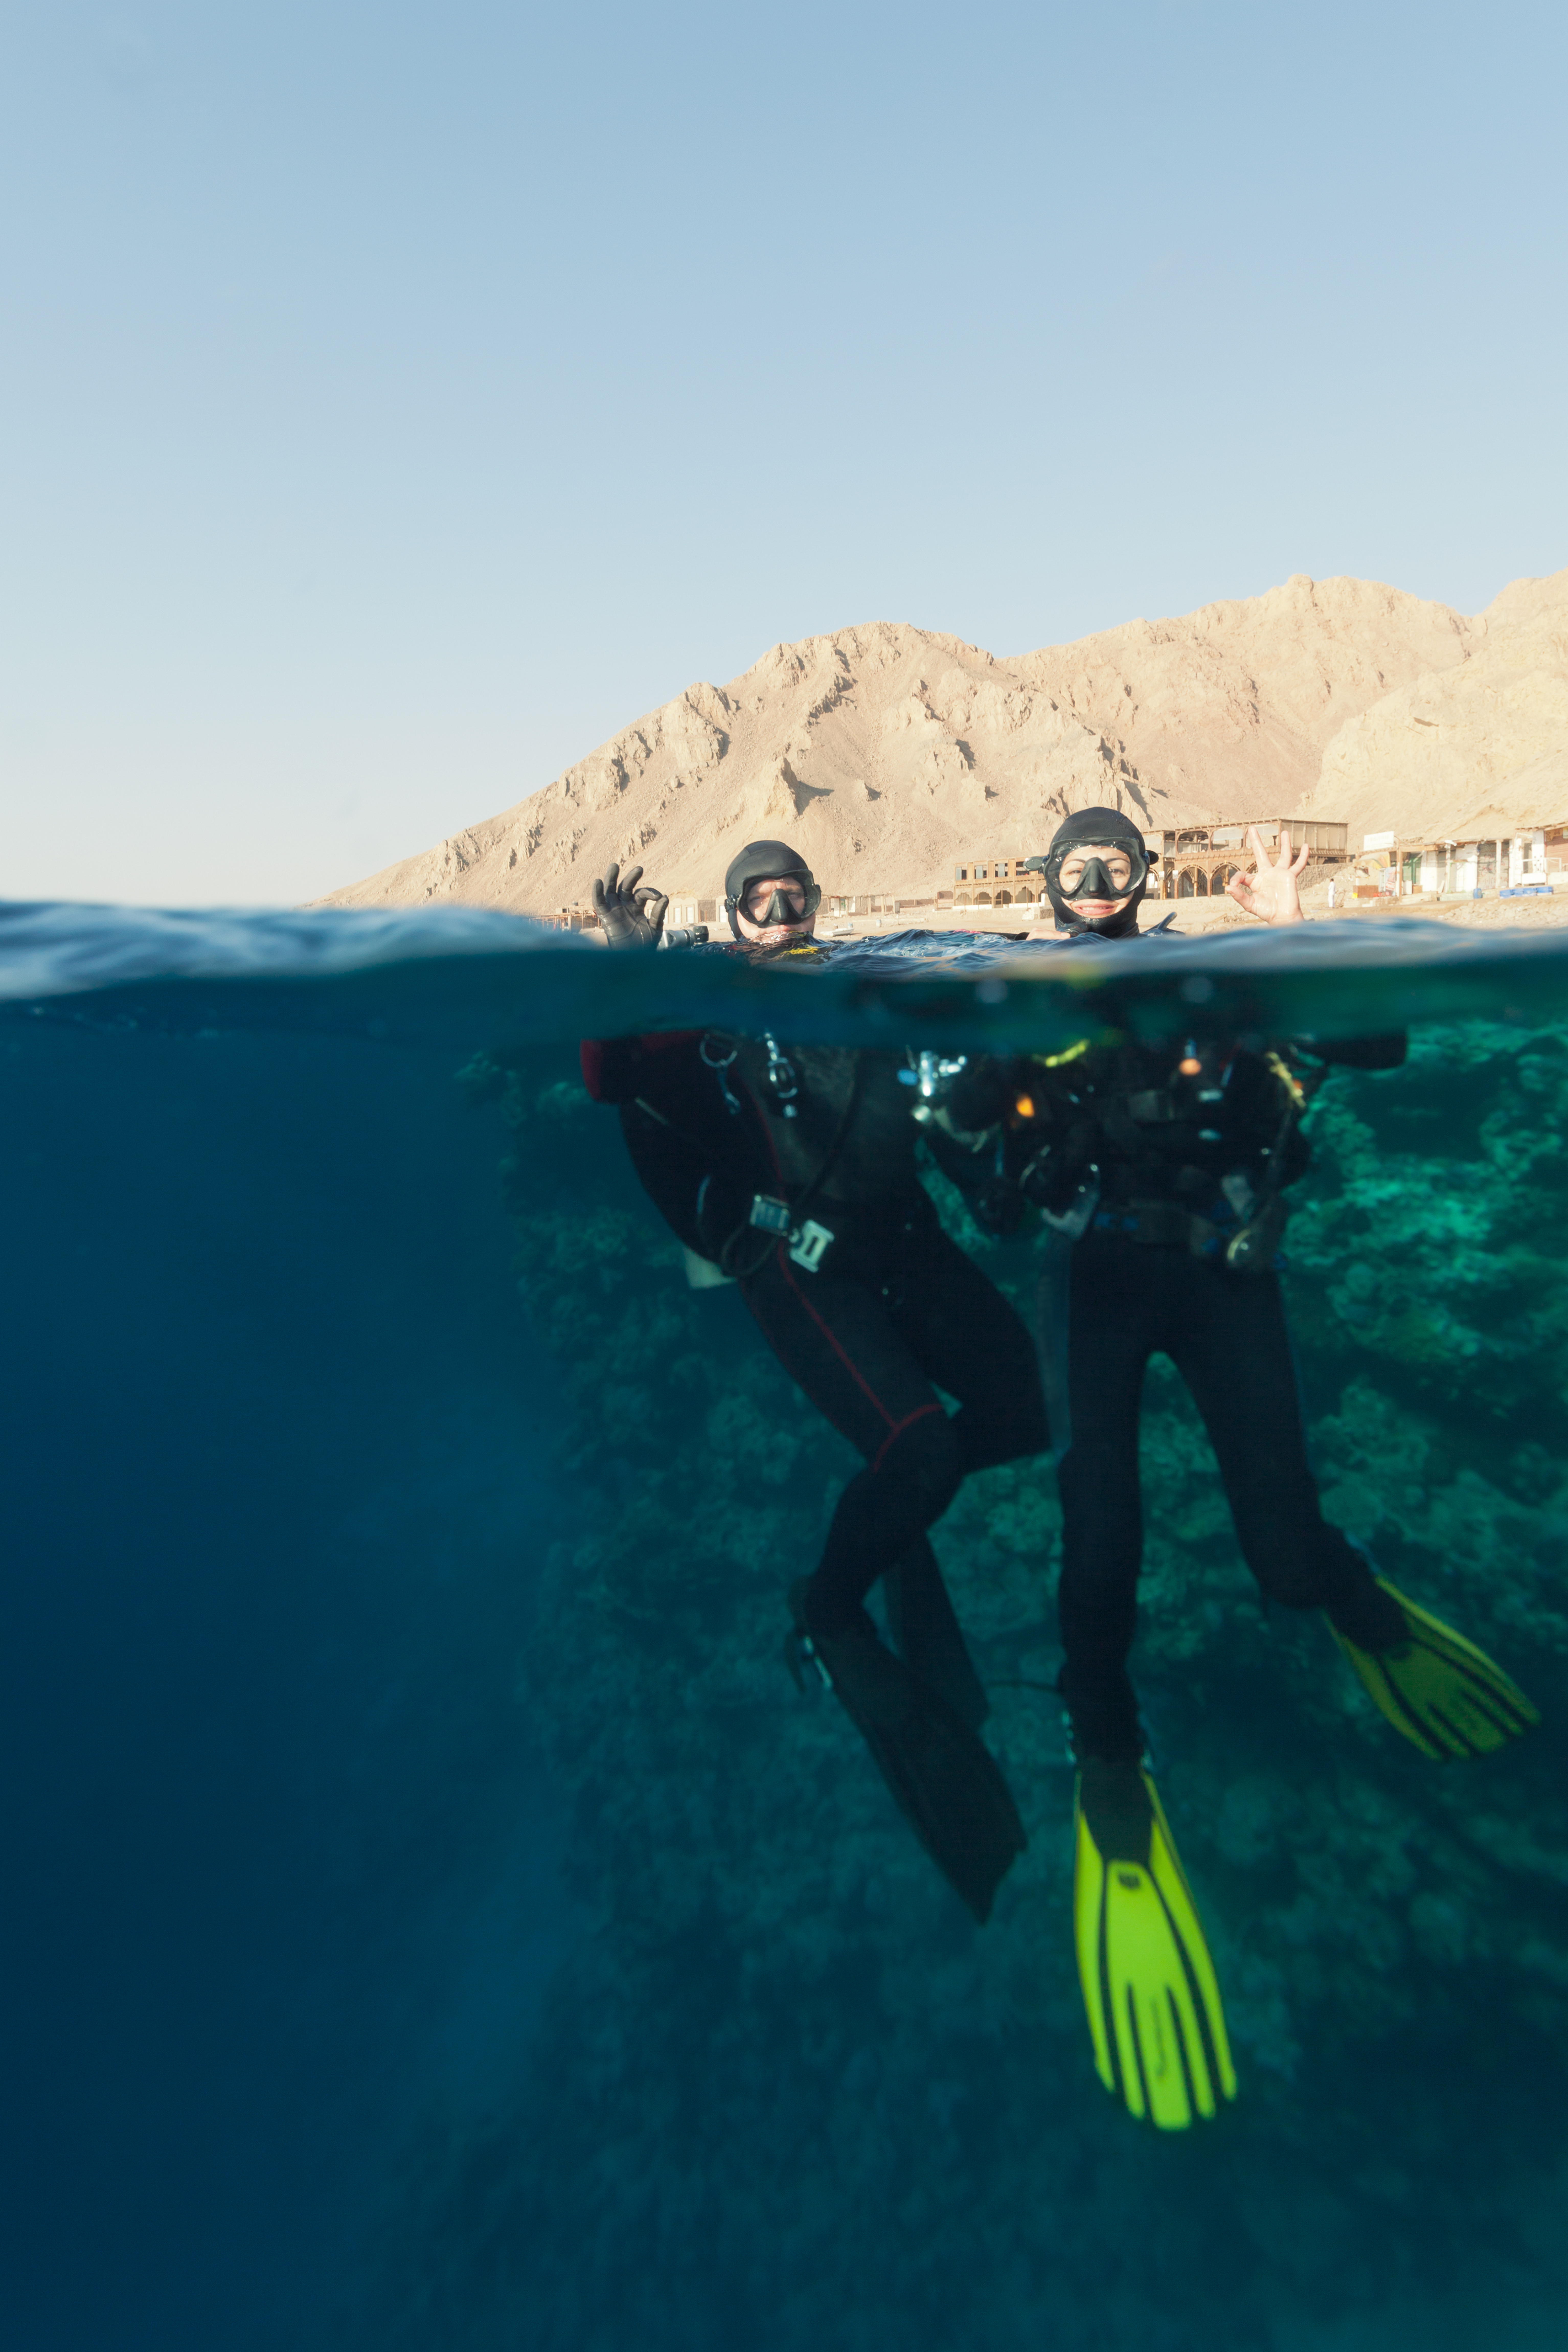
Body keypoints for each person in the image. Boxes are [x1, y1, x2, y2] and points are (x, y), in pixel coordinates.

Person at [942, 805, 1540, 2129]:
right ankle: (1104, 1747)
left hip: (1221, 1272)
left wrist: (1295, 934)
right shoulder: (1029, 1000)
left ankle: (1350, 1598)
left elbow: (1373, 1040)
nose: (1097, 891)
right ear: (1046, 890)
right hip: (1092, 1277)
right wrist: (1006, 1046)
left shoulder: (1227, 986)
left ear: (1150, 883)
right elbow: (962, 1119)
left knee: (1280, 1559)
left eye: (1117, 872)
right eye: (1075, 874)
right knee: (1099, 1537)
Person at [580, 841, 1050, 1924]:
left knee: (1029, 1409)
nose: (780, 915)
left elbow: (962, 1070)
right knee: (923, 1451)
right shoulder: (702, 1013)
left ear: (818, 905)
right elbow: (610, 1077)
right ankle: (830, 1605)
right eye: (759, 900)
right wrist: (629, 964)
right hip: (796, 1263)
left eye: (796, 898)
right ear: (733, 914)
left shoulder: (864, 987)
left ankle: (897, 1502)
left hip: (907, 1239)